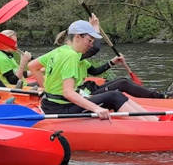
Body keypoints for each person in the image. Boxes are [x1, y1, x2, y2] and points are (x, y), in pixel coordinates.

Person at [27, 20, 155, 121]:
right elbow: (68, 93)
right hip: (60, 108)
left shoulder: (61, 50)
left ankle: (154, 121)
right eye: (89, 40)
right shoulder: (71, 55)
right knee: (114, 96)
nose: (90, 44)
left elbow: (33, 65)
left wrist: (48, 89)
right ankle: (152, 127)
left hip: (51, 103)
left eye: (92, 41)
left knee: (117, 94)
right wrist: (95, 108)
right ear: (78, 37)